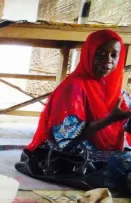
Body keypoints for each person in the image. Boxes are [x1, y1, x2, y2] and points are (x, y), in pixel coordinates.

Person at [18, 29, 131, 191]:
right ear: (88, 53)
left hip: (109, 155)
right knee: (122, 166)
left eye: (114, 55)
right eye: (100, 54)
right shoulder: (74, 87)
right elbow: (65, 141)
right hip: (76, 157)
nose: (107, 60)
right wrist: (108, 120)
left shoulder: (116, 90)